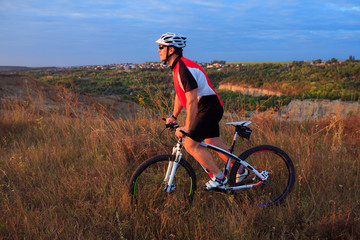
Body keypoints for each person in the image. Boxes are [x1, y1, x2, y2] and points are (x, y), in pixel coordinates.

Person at [156, 32, 248, 190]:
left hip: (208, 107)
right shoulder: (177, 67)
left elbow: (191, 100)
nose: (158, 50)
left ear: (171, 50)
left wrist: (188, 127)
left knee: (190, 144)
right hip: (207, 107)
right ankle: (241, 170)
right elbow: (181, 95)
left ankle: (219, 178)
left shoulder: (183, 68)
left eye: (161, 47)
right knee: (213, 142)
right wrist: (173, 116)